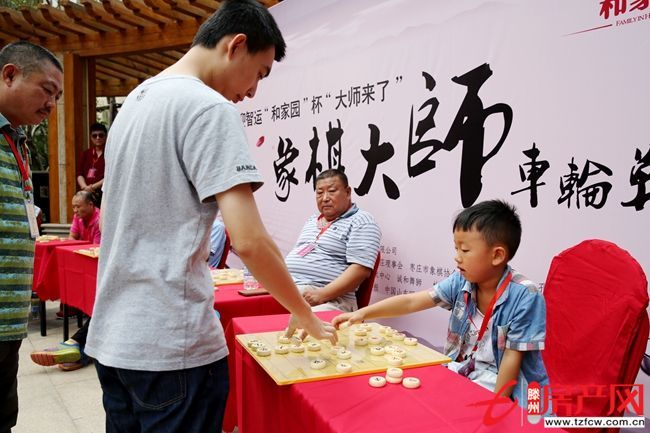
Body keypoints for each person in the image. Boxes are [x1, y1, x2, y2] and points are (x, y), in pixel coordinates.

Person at [84, 1, 336, 432]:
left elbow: (109, 220)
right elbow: (249, 240)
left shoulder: (135, 104)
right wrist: (304, 312)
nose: (252, 92)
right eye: (259, 73)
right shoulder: (209, 108)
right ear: (236, 45)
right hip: (173, 346)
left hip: (115, 340)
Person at [332, 200, 549, 406]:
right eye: (456, 249)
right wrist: (363, 313)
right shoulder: (461, 280)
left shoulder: (525, 296)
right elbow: (411, 302)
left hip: (504, 386)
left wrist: (495, 408)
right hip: (462, 371)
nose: (457, 257)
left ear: (497, 255)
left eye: (465, 250)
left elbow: (511, 359)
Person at [0, 40, 63, 433]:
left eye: (57, 97)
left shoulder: (16, 139)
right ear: (9, 75)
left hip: (9, 320)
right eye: (47, 90)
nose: (51, 105)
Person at [285, 169, 381, 312]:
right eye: (319, 193)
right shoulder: (312, 220)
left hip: (331, 299)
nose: (325, 198)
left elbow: (360, 270)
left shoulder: (362, 221)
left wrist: (322, 294)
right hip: (290, 288)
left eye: (331, 191)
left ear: (347, 192)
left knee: (294, 320)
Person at [77, 122, 106, 206]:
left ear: (105, 136)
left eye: (101, 135)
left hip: (102, 194)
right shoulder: (86, 154)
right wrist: (85, 188)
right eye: (94, 136)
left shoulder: (109, 153)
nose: (98, 138)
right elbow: (79, 174)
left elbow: (110, 176)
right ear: (91, 137)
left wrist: (92, 187)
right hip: (86, 194)